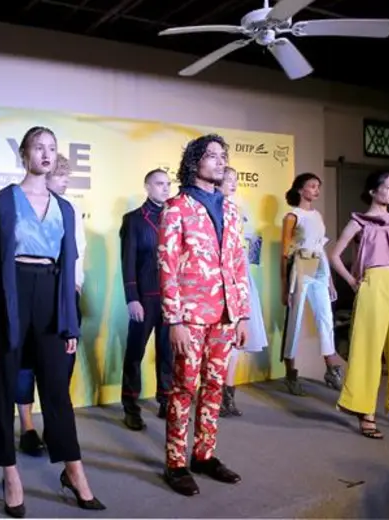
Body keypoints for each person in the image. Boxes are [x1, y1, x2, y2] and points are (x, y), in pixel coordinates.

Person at [0, 126, 105, 516]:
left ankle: (74, 472)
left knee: (57, 391)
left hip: (52, 297)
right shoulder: (2, 202)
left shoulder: (66, 208)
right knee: (3, 387)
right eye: (38, 147)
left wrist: (70, 322)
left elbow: (70, 267)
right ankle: (10, 475)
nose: (45, 153)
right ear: (24, 154)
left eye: (52, 148)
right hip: (10, 296)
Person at [158, 134, 250, 497]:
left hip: (225, 315)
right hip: (190, 315)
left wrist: (242, 315)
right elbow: (166, 267)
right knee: (184, 388)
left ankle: (204, 455)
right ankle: (175, 463)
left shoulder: (230, 209)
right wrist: (174, 320)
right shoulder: (176, 207)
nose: (220, 161)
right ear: (194, 161)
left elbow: (239, 264)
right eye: (212, 155)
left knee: (214, 386)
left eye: (223, 155)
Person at [328, 171, 389, 439]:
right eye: (388, 187)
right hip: (372, 285)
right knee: (367, 349)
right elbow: (334, 255)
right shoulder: (359, 222)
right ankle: (364, 411)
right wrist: (352, 281)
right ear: (373, 191)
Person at [15, 153, 85, 456]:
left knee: (60, 368)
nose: (65, 181)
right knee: (24, 364)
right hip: (31, 293)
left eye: (67, 176)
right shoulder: (19, 205)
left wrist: (75, 290)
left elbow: (78, 254)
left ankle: (55, 429)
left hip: (66, 296)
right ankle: (27, 427)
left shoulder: (70, 209)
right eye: (60, 175)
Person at [279, 173, 344, 396]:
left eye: (318, 186)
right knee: (295, 320)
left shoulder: (317, 215)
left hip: (318, 265)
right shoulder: (292, 216)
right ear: (300, 189)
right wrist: (284, 285)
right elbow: (285, 253)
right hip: (301, 264)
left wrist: (330, 280)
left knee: (325, 317)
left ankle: (331, 369)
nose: (316, 190)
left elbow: (321, 247)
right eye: (312, 186)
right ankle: (290, 373)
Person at [119, 168, 173, 430]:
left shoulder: (175, 217)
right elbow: (127, 261)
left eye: (168, 183)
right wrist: (132, 298)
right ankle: (130, 406)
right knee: (135, 353)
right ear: (147, 187)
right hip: (144, 298)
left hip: (171, 298)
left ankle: (166, 400)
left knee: (168, 353)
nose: (166, 188)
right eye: (159, 183)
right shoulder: (133, 220)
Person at [217, 166, 268, 417]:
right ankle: (213, 393)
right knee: (218, 338)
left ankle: (228, 396)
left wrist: (249, 261)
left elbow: (254, 240)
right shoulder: (209, 209)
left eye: (235, 180)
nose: (233, 183)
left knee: (237, 338)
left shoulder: (239, 208)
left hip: (241, 276)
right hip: (218, 277)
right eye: (228, 179)